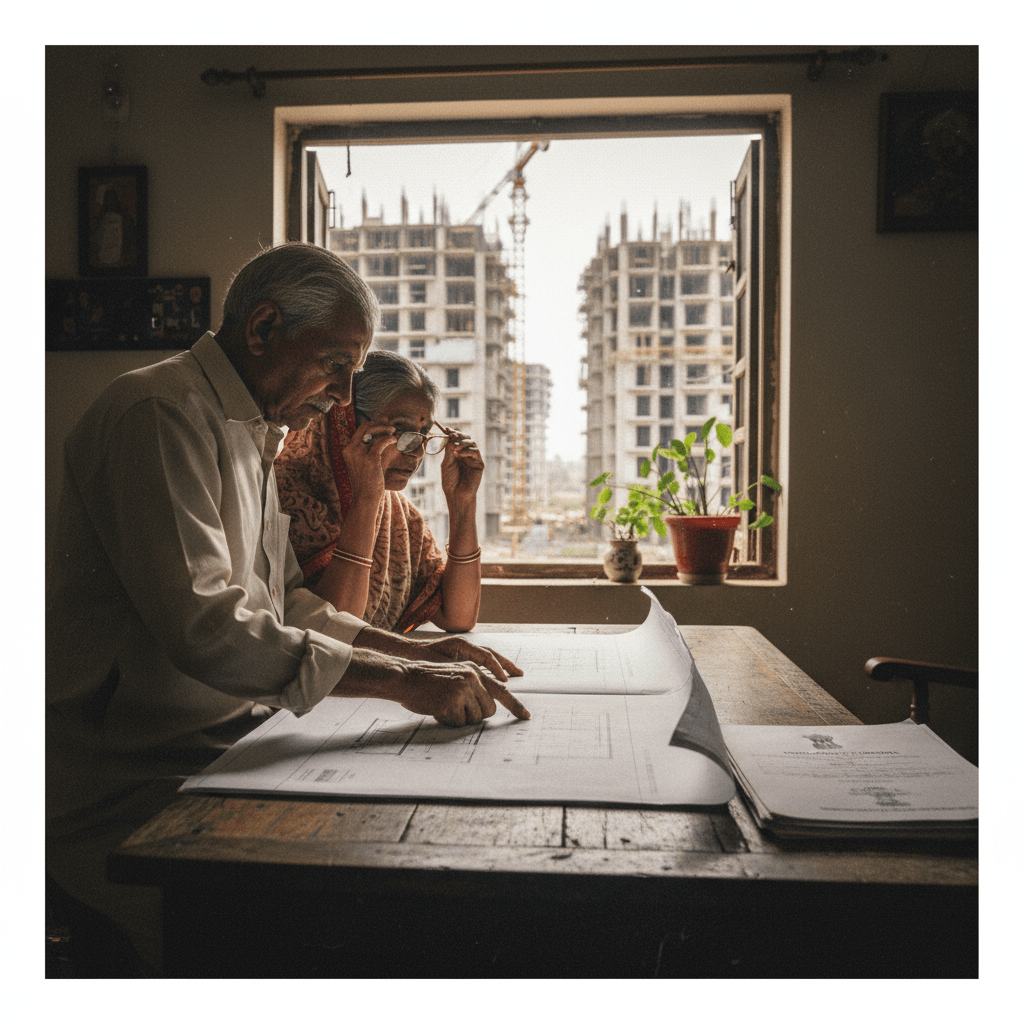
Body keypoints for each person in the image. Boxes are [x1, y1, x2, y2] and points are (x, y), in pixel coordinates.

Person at [46, 242, 529, 972]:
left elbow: (288, 604)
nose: (342, 395)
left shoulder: (248, 433)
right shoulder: (157, 412)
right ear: (263, 327)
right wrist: (400, 682)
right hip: (132, 784)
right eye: (337, 364)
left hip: (224, 753)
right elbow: (209, 627)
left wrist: (415, 653)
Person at [275, 350, 483, 635]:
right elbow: (334, 634)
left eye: (423, 435)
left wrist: (463, 503)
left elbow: (458, 616)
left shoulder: (400, 515)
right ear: (347, 423)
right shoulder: (282, 498)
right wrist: (365, 500)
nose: (418, 452)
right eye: (401, 430)